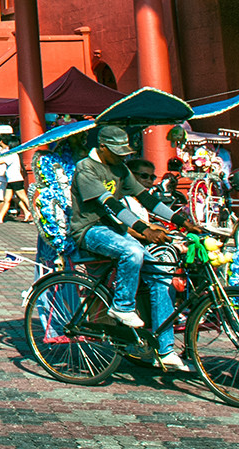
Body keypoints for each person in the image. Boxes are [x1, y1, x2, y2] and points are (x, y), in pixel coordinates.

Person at [69, 125, 193, 373]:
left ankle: (165, 349)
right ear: (102, 147)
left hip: (115, 231)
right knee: (132, 251)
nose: (122, 157)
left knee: (160, 275)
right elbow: (111, 204)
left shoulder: (120, 168)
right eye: (117, 152)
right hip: (89, 231)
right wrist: (144, 229)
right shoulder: (86, 169)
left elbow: (146, 198)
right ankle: (121, 306)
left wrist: (180, 221)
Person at [0, 142, 32, 223]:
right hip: (10, 180)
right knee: (7, 199)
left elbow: (1, 162)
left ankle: (35, 214)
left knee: (24, 198)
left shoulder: (12, 155)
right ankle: (0, 218)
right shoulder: (13, 154)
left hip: (15, 180)